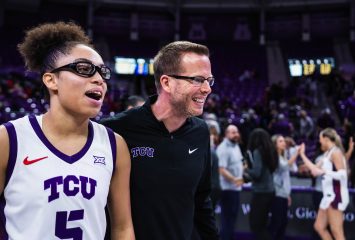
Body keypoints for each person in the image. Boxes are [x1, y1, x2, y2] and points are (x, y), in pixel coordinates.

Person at [0, 22, 135, 239]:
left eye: (102, 72)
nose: (99, 79)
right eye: (83, 69)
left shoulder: (114, 145)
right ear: (51, 80)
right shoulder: (9, 139)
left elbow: (122, 227)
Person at [101, 41, 219, 240]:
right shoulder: (115, 130)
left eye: (210, 80)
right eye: (198, 80)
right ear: (166, 83)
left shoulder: (200, 132)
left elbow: (201, 200)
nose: (207, 89)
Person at [299, 128, 349, 240]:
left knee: (337, 232)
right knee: (319, 226)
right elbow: (314, 170)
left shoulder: (336, 152)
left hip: (336, 195)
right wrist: (302, 154)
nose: (319, 141)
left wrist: (325, 172)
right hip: (328, 195)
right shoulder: (327, 154)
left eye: (320, 139)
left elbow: (343, 175)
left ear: (326, 139)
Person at [239, 128, 278, 240]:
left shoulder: (257, 152)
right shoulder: (270, 151)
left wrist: (245, 169)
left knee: (256, 226)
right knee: (262, 225)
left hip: (261, 193)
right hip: (270, 191)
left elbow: (257, 173)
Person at [216, 124, 244, 240]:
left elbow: (238, 164)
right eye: (233, 132)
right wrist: (235, 179)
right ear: (226, 134)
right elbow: (221, 169)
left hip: (235, 188)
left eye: (236, 132)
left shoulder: (236, 146)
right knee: (227, 220)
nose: (236, 134)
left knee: (232, 220)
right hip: (227, 189)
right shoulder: (223, 148)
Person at [269, 134, 299, 240]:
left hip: (284, 194)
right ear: (275, 144)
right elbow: (284, 166)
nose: (284, 143)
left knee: (283, 223)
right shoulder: (274, 157)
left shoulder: (283, 156)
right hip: (276, 193)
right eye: (280, 141)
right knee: (276, 222)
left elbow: (289, 171)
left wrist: (287, 195)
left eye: (283, 141)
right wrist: (297, 153)